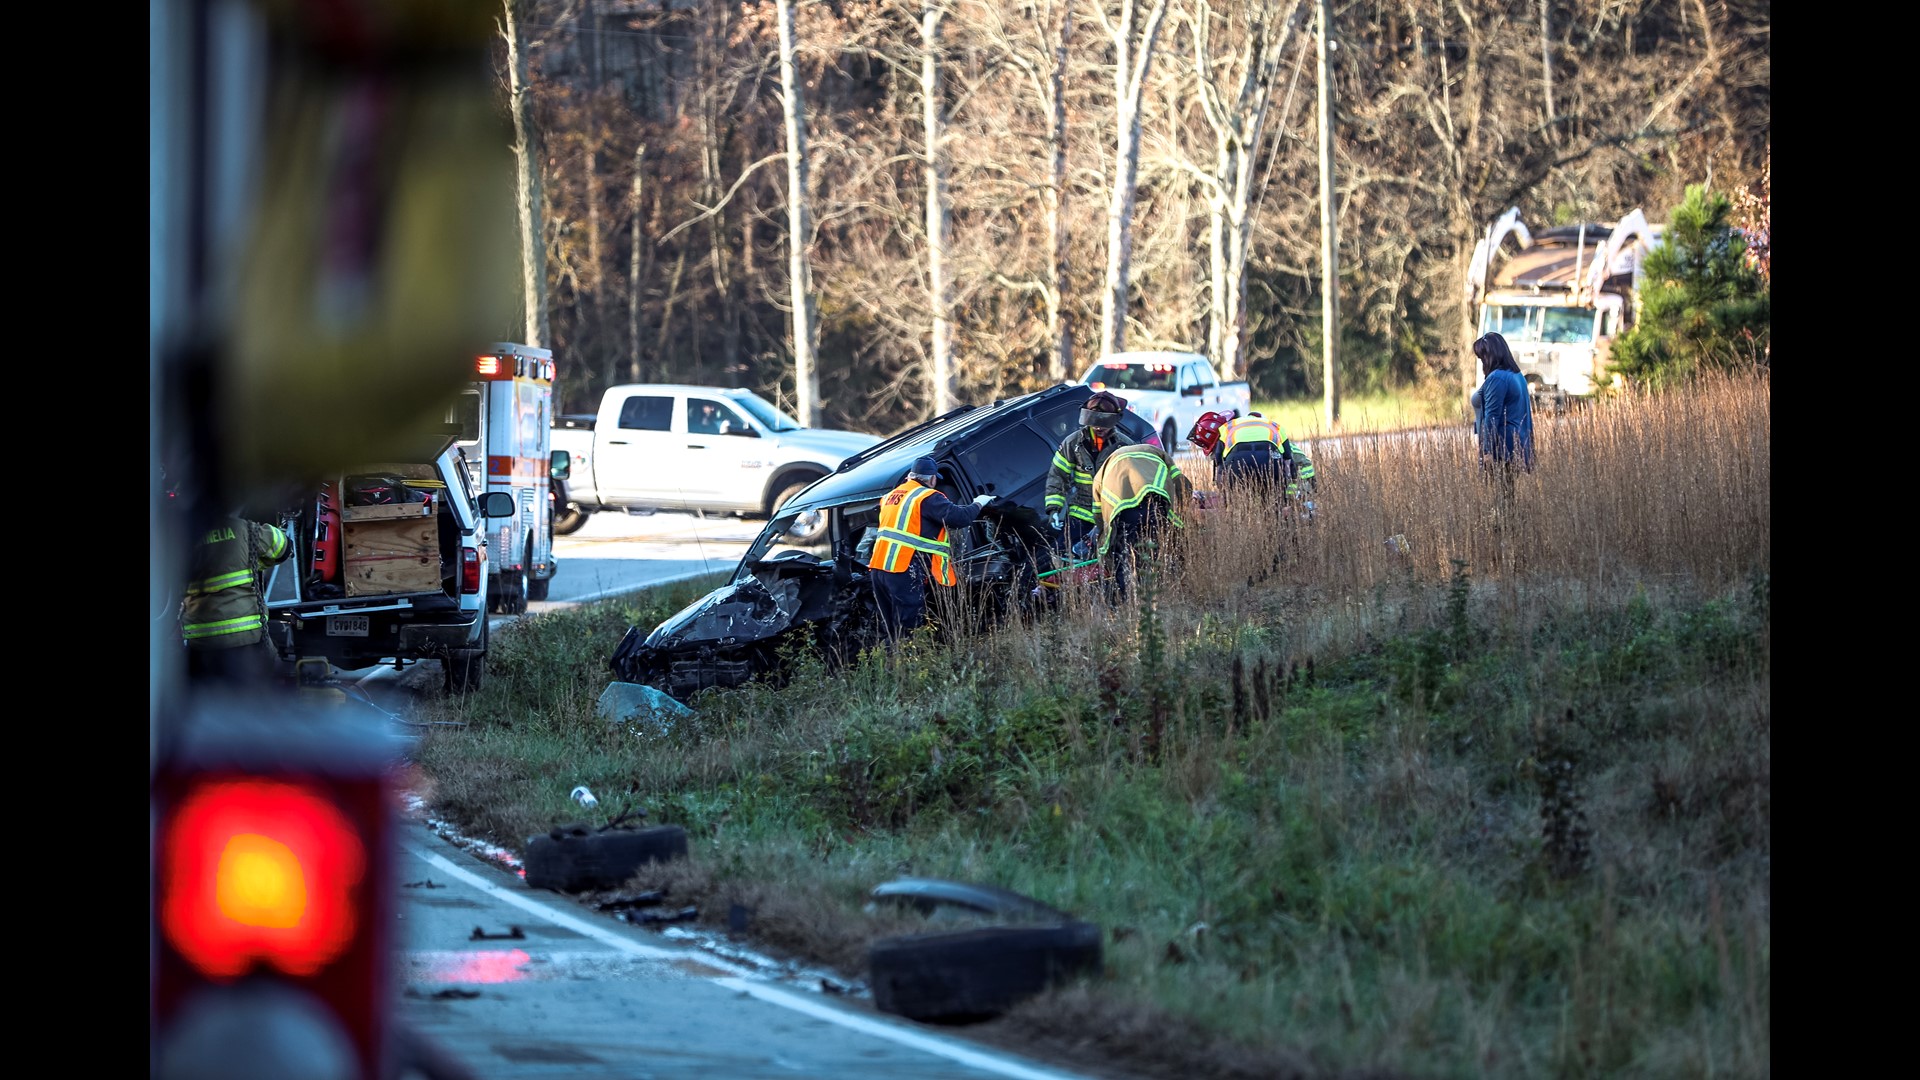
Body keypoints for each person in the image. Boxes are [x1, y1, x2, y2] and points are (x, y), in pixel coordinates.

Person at [865, 456, 998, 642]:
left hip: (879, 568)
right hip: (902, 569)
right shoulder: (927, 497)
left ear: (911, 476)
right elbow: (959, 518)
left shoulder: (891, 496)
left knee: (893, 628)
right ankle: (911, 664)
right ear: (932, 479)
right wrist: (979, 503)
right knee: (909, 629)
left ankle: (894, 664)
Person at [179, 507, 294, 685]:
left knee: (205, 701)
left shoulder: (185, 534)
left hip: (201, 641)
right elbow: (283, 548)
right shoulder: (245, 529)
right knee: (247, 703)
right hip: (246, 641)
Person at [1089, 441, 1192, 599]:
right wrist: (1184, 509)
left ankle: (1130, 598)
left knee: (1125, 557)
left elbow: (1098, 513)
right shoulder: (1154, 451)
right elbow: (1183, 484)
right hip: (1155, 506)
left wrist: (1104, 535)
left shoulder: (1103, 470)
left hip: (1124, 515)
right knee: (1161, 550)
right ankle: (1167, 593)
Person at [1045, 390, 1131, 554]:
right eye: (1094, 421)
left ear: (1114, 420)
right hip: (1081, 515)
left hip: (1111, 517)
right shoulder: (1073, 443)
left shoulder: (1124, 446)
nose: (1099, 427)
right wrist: (1054, 509)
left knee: (1114, 561)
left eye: (1104, 422)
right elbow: (1057, 476)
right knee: (1060, 554)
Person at [1189, 410, 1316, 503]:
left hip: (1295, 484)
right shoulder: (1258, 429)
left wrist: (1295, 493)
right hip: (1274, 470)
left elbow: (1297, 462)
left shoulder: (1229, 433)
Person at [1472, 332, 1535, 499]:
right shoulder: (1516, 375)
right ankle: (1511, 525)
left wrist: (1487, 452)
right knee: (1508, 498)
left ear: (1490, 355)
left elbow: (1492, 417)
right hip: (1515, 446)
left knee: (1502, 501)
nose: (1481, 363)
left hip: (1501, 449)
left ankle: (1505, 526)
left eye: (1482, 357)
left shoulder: (1497, 378)